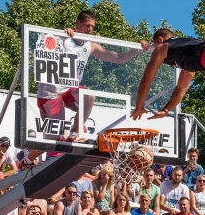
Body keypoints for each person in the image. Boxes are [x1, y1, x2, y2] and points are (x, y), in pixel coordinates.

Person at [37, 10, 143, 138]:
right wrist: (61, 32)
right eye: (87, 25)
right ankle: (27, 158)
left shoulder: (90, 45)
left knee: (89, 97)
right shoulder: (63, 38)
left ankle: (74, 132)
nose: (90, 29)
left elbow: (117, 57)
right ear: (77, 23)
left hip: (69, 90)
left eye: (92, 26)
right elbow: (44, 40)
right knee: (56, 139)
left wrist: (137, 49)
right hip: (51, 92)